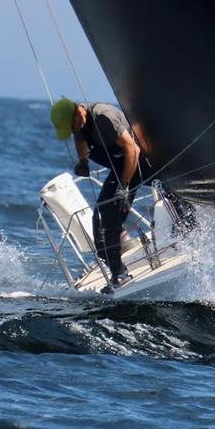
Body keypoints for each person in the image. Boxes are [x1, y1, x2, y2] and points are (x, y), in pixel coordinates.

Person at [50, 98, 142, 289]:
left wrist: (124, 186)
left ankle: (121, 274)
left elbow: (133, 149)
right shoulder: (79, 125)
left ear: (79, 112)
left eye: (72, 126)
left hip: (135, 165)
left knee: (110, 216)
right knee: (99, 218)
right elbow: (80, 139)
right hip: (119, 168)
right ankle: (118, 271)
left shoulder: (103, 117)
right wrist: (83, 162)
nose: (74, 130)